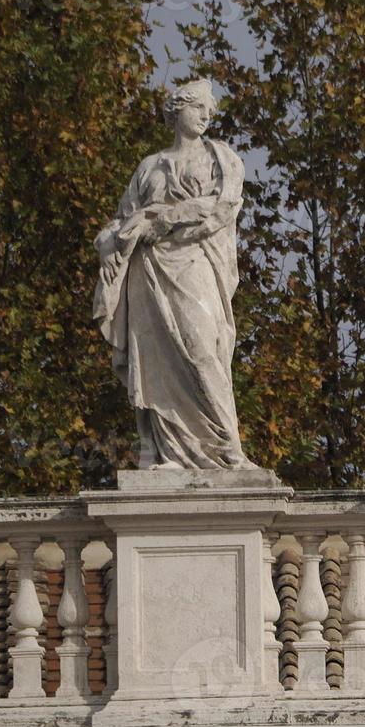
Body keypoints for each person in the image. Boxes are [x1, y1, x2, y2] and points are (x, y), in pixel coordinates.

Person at [93, 78, 255, 470]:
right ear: (177, 109)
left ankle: (226, 449)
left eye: (209, 110)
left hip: (195, 263)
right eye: (198, 107)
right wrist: (107, 241)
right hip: (148, 271)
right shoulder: (149, 167)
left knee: (203, 350)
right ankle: (169, 451)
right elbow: (120, 221)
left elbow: (221, 208)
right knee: (156, 360)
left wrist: (164, 218)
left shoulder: (221, 158)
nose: (205, 115)